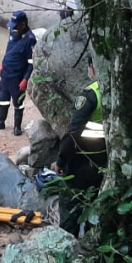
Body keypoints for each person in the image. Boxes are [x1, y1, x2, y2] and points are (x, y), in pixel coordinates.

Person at [51, 56, 107, 235]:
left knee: (70, 205)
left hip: (82, 161)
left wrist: (60, 160)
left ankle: (69, 248)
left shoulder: (91, 94)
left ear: (93, 68)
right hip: (105, 160)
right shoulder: (118, 90)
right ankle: (91, 242)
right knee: (95, 204)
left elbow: (73, 134)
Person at [0, 11, 36, 136]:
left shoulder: (30, 40)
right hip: (6, 74)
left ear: (23, 25)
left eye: (16, 26)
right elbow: (8, 50)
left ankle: (17, 127)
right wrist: (2, 65)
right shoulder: (13, 33)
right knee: (2, 99)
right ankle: (0, 122)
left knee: (18, 103)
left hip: (18, 77)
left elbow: (32, 63)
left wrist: (25, 79)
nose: (13, 28)